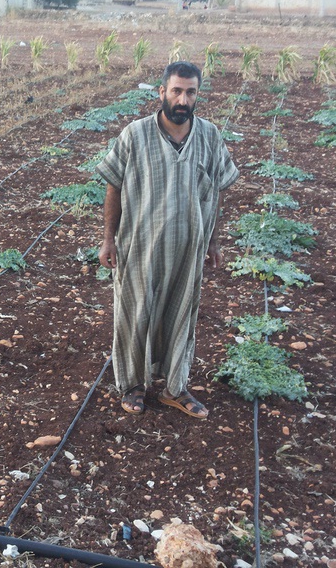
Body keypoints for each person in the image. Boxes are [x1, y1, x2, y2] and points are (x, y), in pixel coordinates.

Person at [96, 61, 239, 418]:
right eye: (176, 90)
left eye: (190, 92)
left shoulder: (209, 135)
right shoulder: (136, 134)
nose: (182, 98)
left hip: (188, 248)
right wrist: (108, 240)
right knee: (135, 313)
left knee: (182, 316)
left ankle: (176, 387)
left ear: (197, 95)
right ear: (162, 92)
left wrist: (214, 241)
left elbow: (218, 191)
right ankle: (132, 384)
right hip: (140, 246)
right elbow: (114, 186)